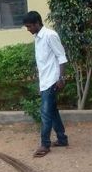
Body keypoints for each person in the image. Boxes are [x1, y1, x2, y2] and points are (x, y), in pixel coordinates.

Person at [23, 11, 69, 157]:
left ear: (37, 23)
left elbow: (62, 57)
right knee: (52, 111)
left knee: (45, 113)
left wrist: (61, 78)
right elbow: (43, 63)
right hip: (45, 81)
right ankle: (62, 139)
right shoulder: (38, 37)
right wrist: (41, 85)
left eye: (29, 26)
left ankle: (45, 144)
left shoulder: (50, 35)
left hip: (53, 81)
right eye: (26, 27)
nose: (28, 29)